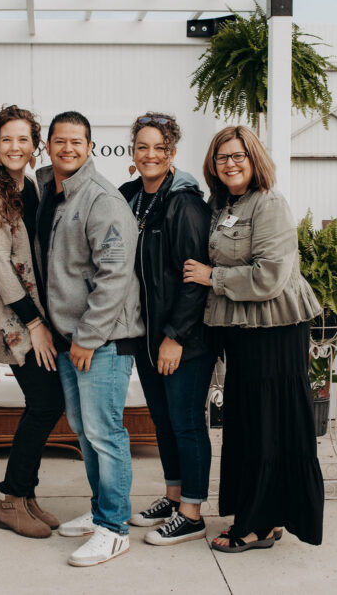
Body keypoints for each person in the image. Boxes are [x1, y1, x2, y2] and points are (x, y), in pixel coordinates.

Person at [183, 125, 325, 553]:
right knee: (248, 425)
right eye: (222, 156)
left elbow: (271, 276)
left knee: (267, 426)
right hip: (243, 332)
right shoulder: (224, 204)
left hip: (275, 332)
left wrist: (213, 277)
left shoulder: (269, 204)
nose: (230, 163)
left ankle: (259, 525)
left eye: (238, 155)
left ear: (254, 159)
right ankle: (264, 515)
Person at [35, 111, 145, 567]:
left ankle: (115, 528)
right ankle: (102, 511)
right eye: (60, 141)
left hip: (101, 341)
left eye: (76, 141)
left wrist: (88, 337)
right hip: (70, 338)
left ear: (90, 146)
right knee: (85, 431)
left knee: (105, 432)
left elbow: (115, 274)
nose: (68, 148)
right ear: (48, 146)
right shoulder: (53, 193)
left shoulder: (101, 199)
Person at [118, 113, 214, 546]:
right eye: (142, 147)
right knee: (162, 420)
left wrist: (175, 336)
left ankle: (192, 512)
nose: (150, 155)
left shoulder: (185, 202)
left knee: (187, 422)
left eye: (159, 147)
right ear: (132, 153)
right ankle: (174, 496)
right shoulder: (130, 197)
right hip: (147, 333)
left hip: (183, 336)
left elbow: (194, 279)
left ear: (172, 152)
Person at [0, 105, 66, 539]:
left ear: (34, 147)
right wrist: (34, 324)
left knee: (48, 403)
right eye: (6, 138)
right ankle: (11, 499)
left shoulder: (32, 187)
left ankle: (25, 496)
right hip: (17, 319)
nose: (14, 146)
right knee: (46, 403)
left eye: (23, 139)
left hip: (44, 314)